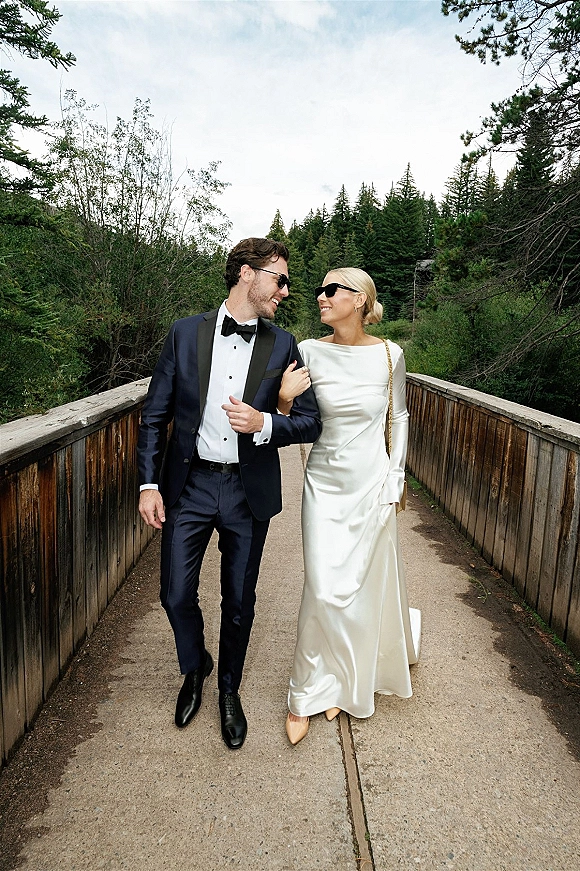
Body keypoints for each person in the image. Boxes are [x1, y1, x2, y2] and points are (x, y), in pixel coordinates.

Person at [137, 238, 321, 750]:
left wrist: (265, 421)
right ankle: (195, 667)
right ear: (246, 273)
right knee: (175, 595)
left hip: (247, 490)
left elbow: (311, 423)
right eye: (278, 279)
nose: (285, 290)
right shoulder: (183, 334)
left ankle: (228, 690)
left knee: (239, 602)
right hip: (189, 485)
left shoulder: (285, 345)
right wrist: (149, 484)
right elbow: (155, 415)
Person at [279, 267, 421, 745]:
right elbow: (292, 418)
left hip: (371, 480)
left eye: (331, 289)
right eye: (319, 289)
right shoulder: (307, 351)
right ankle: (306, 691)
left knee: (360, 584)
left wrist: (395, 478)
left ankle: (344, 681)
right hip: (324, 481)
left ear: (360, 300)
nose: (321, 296)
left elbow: (399, 417)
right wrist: (281, 399)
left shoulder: (389, 354)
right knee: (322, 585)